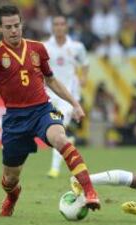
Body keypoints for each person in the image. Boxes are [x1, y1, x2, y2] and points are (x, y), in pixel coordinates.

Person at [0, 5, 99, 215]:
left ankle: (90, 192)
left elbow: (51, 80)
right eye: (8, 27)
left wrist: (75, 103)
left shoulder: (37, 48)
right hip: (15, 119)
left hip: (42, 111)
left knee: (61, 139)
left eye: (16, 25)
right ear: (0, 28)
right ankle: (12, 196)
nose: (14, 30)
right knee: (10, 178)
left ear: (22, 24)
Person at [44, 15, 89, 178]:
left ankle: (54, 168)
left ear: (66, 27)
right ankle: (69, 141)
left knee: (58, 128)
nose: (59, 27)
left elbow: (85, 64)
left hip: (68, 97)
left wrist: (83, 77)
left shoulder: (77, 47)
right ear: (52, 27)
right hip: (47, 95)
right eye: (56, 24)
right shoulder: (44, 47)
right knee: (54, 133)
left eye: (62, 24)